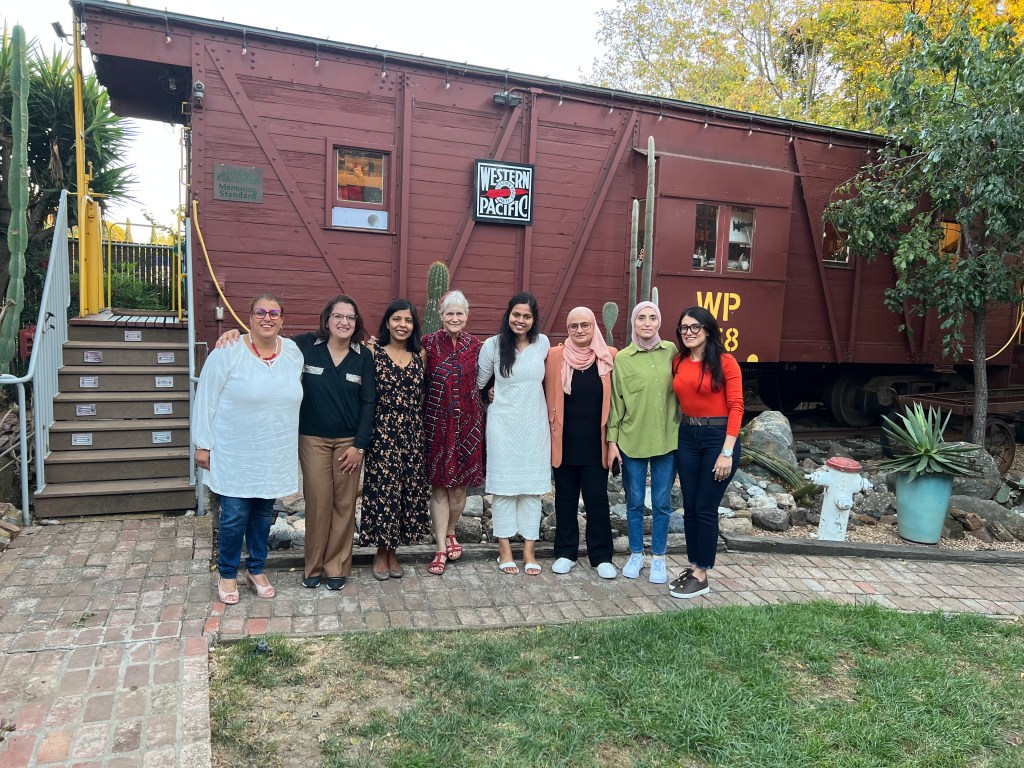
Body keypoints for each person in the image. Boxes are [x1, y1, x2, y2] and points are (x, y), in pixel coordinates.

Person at [215, 294, 375, 591]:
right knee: (317, 502)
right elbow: (265, 337)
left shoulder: (363, 356)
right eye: (338, 316)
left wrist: (360, 445)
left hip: (349, 444)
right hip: (312, 439)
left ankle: (337, 567)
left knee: (344, 504)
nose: (344, 322)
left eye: (350, 318)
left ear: (356, 323)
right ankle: (313, 566)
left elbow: (369, 402)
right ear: (327, 319)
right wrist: (235, 333)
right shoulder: (302, 347)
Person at [194, 293, 304, 605]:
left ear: (282, 319)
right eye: (260, 312)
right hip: (234, 451)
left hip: (272, 451)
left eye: (274, 313)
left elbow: (328, 345)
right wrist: (203, 444)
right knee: (234, 516)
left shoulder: (293, 352)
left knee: (262, 515)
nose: (267, 318)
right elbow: (206, 398)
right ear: (249, 317)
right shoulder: (228, 351)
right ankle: (228, 573)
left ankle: (256, 568)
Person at [670, 306, 744, 599]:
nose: (688, 332)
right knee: (690, 506)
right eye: (683, 328)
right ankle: (693, 564)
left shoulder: (726, 363)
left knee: (705, 507)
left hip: (718, 437)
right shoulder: (678, 362)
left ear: (708, 330)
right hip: (687, 435)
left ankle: (703, 573)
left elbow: (737, 407)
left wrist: (726, 451)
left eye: (694, 327)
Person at [606, 301, 681, 585]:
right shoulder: (623, 358)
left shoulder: (672, 352)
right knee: (635, 501)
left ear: (659, 322)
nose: (647, 323)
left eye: (652, 318)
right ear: (634, 323)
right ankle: (637, 554)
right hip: (631, 440)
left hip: (666, 439)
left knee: (662, 502)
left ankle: (659, 557)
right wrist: (612, 441)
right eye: (641, 318)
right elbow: (616, 403)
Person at [477, 292, 551, 575]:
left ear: (534, 320)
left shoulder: (542, 344)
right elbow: (478, 383)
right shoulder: (493, 346)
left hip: (534, 426)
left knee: (532, 491)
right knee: (504, 490)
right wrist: (488, 395)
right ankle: (504, 549)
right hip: (503, 425)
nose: (520, 320)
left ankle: (530, 552)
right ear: (508, 315)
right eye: (516, 314)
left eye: (527, 316)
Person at [359, 299, 432, 579]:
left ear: (414, 326)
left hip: (412, 432)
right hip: (382, 431)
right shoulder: (373, 354)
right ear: (388, 322)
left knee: (405, 492)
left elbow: (422, 395)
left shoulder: (420, 356)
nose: (403, 325)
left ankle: (395, 550)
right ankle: (381, 552)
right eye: (397, 319)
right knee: (382, 491)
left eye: (408, 320)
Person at [543, 307, 618, 579]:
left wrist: (614, 441)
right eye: (573, 326)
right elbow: (529, 383)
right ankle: (566, 553)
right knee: (565, 499)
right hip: (564, 440)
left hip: (595, 442)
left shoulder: (608, 357)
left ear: (594, 326)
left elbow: (619, 403)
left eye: (585, 325)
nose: (579, 330)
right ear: (567, 328)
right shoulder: (554, 356)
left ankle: (601, 556)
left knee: (597, 499)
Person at [421, 290, 485, 576]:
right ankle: (439, 548)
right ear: (441, 316)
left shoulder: (477, 345)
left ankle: (450, 531)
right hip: (436, 423)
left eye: (460, 313)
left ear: (467, 316)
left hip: (469, 424)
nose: (455, 318)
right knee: (438, 487)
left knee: (459, 489)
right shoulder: (428, 343)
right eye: (450, 313)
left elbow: (490, 377)